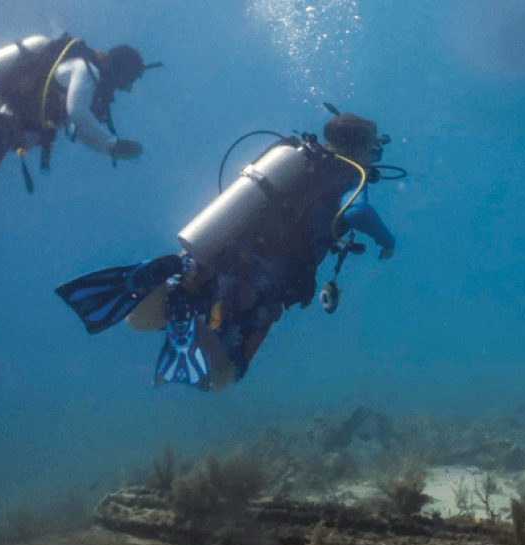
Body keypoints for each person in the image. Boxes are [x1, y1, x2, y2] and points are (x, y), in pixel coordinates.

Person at [54, 112, 399, 390]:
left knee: (138, 320)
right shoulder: (348, 175)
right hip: (263, 283)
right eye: (373, 151)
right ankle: (185, 313)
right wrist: (388, 242)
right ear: (358, 150)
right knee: (226, 375)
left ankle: (174, 283)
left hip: (223, 254)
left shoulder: (296, 157)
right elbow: (357, 212)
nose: (374, 160)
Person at [0, 35, 150, 194]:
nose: (127, 88)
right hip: (0, 113)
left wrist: (108, 148)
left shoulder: (90, 85)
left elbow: (79, 127)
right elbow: (77, 112)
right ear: (121, 71)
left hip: (6, 125)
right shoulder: (86, 70)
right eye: (129, 80)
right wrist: (111, 145)